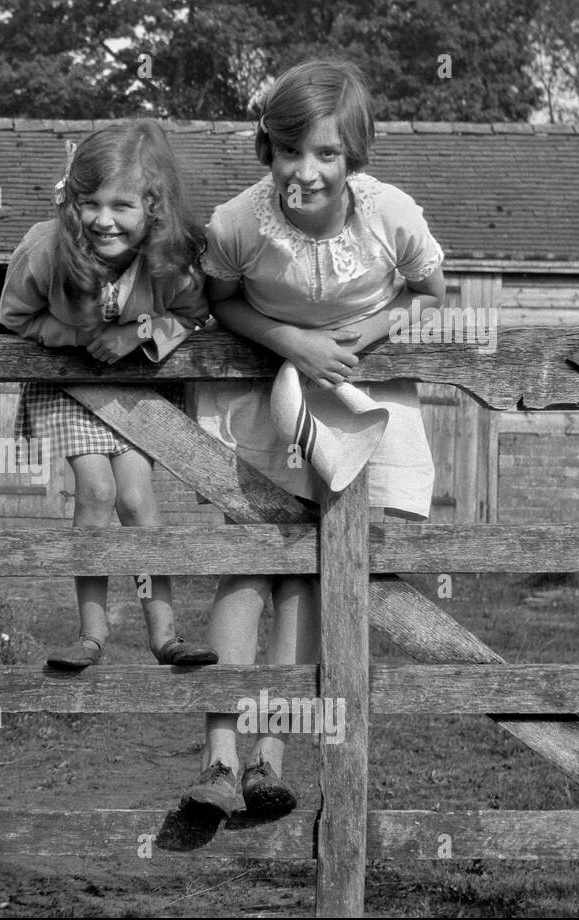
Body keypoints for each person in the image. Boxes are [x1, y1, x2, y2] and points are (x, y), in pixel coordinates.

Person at [183, 58, 446, 818]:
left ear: (353, 156)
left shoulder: (390, 214)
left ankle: (270, 757)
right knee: (245, 566)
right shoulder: (239, 223)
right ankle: (220, 758)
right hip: (267, 400)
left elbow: (432, 291)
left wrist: (375, 327)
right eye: (291, 150)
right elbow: (221, 305)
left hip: (356, 393)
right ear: (266, 145)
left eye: (326, 153)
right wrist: (290, 341)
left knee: (309, 576)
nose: (306, 171)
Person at [0, 120, 217, 670]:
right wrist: (76, 338)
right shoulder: (46, 249)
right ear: (71, 201)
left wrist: (139, 332)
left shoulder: (171, 259)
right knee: (95, 492)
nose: (102, 219)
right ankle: (91, 635)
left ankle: (164, 635)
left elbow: (194, 317)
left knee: (138, 501)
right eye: (89, 203)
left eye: (121, 205)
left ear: (154, 205)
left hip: (134, 390)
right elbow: (13, 315)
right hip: (71, 388)